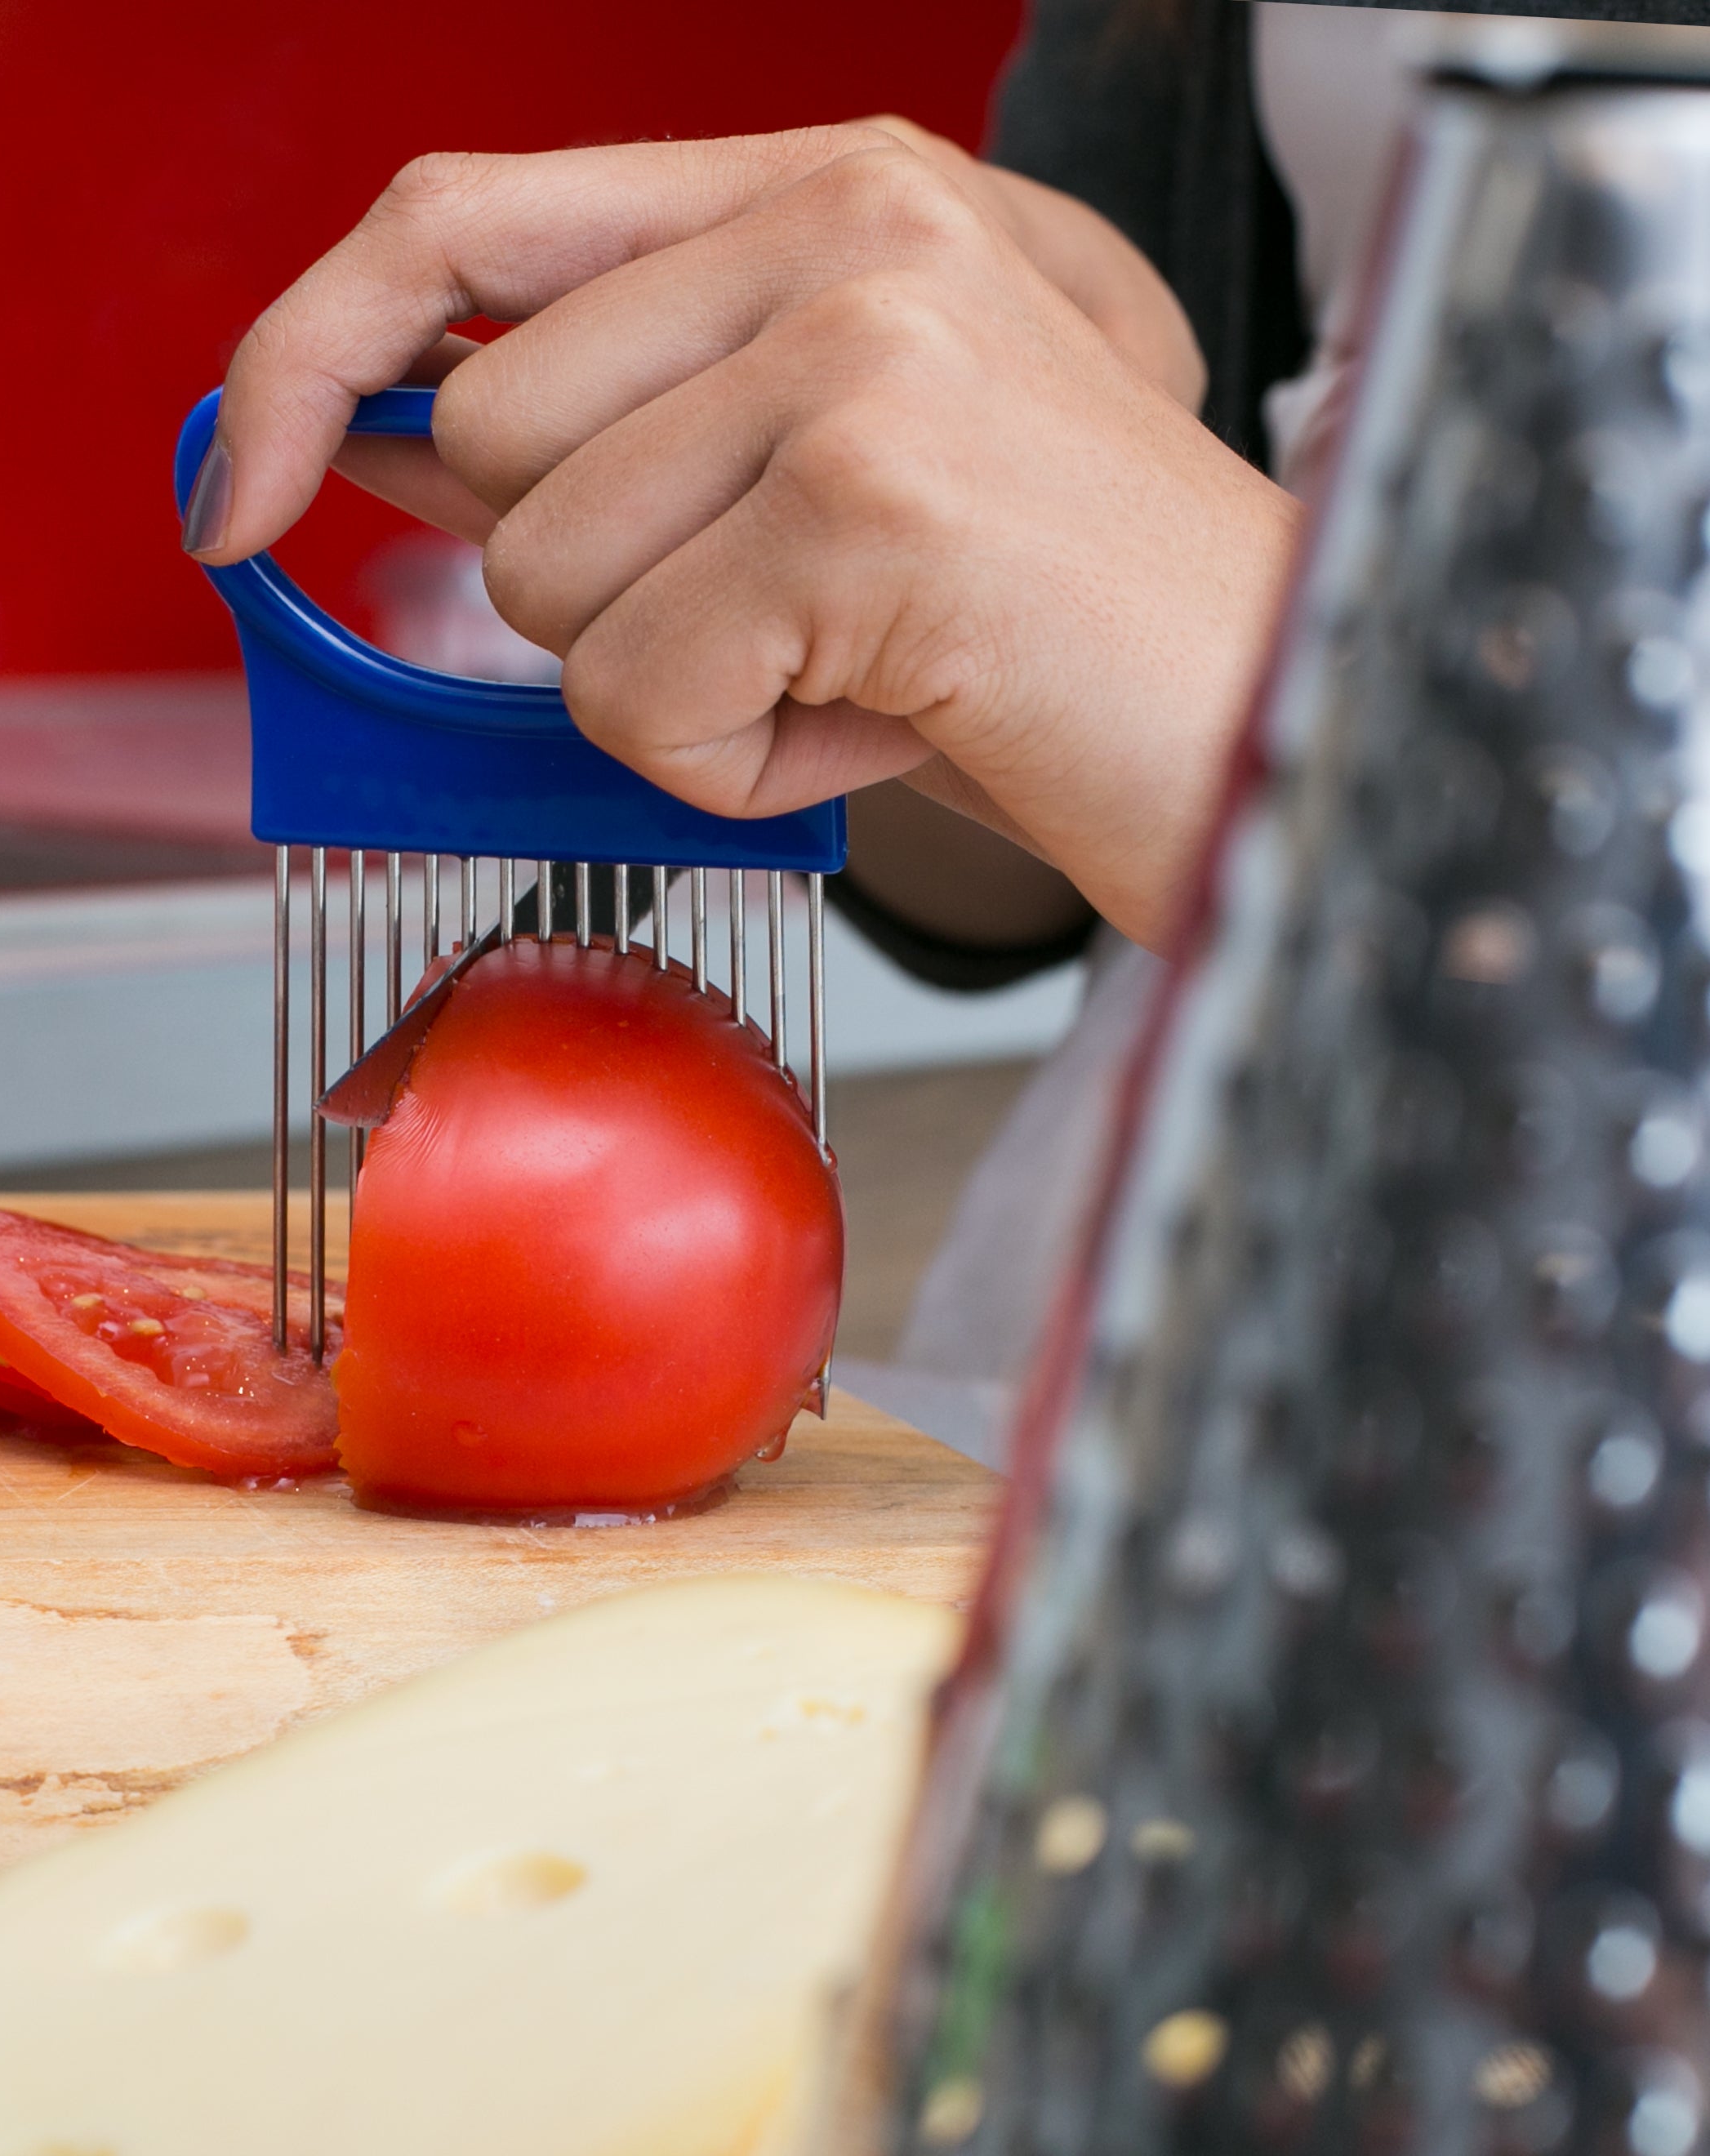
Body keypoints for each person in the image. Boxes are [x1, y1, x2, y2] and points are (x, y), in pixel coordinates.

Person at [185, 2, 1710, 1459]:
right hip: (1164, 1299)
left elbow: (1206, 654)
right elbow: (1033, 862)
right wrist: (862, 549)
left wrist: (1347, 759)